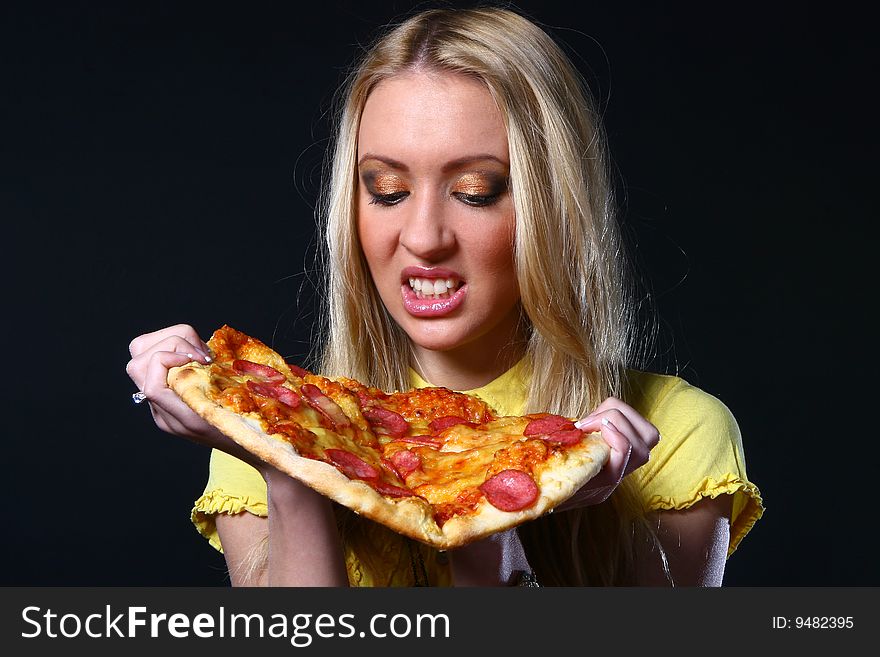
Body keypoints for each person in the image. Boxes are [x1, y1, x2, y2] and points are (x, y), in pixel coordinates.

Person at [126, 6, 762, 587]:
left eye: (475, 190)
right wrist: (289, 464)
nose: (423, 238)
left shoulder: (677, 434)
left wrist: (496, 510)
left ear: (553, 209)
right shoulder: (269, 420)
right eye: (386, 189)